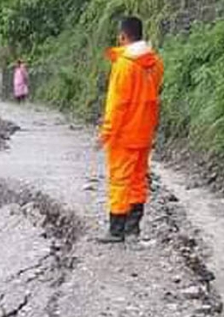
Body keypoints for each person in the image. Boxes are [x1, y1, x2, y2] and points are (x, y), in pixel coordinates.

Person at [97, 16, 164, 242]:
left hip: (124, 134)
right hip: (145, 133)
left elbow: (117, 105)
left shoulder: (124, 65)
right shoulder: (155, 64)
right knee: (138, 179)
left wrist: (106, 133)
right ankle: (133, 228)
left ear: (123, 36)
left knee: (119, 180)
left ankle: (116, 230)